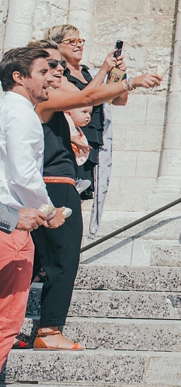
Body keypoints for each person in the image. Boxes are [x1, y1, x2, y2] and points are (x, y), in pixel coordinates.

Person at [30, 40, 161, 350]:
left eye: (58, 64)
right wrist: (130, 81)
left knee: (44, 261)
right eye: (51, 64)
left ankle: (41, 327)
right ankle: (49, 331)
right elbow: (86, 96)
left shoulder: (44, 99)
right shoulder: (45, 99)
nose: (58, 69)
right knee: (63, 260)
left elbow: (87, 100)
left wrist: (107, 73)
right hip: (55, 182)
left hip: (57, 180)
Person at [0, 46, 65, 386]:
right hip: (9, 223)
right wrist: (49, 211)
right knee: (6, 322)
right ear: (19, 77)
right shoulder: (23, 112)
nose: (51, 78)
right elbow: (24, 175)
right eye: (43, 71)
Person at [47, 24, 128, 235]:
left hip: (92, 140)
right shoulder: (58, 74)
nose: (78, 46)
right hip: (69, 140)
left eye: (80, 41)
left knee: (81, 196)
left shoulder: (87, 73)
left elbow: (118, 100)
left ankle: (71, 242)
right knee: (67, 194)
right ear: (57, 45)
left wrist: (118, 74)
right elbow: (84, 99)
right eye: (71, 41)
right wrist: (103, 71)